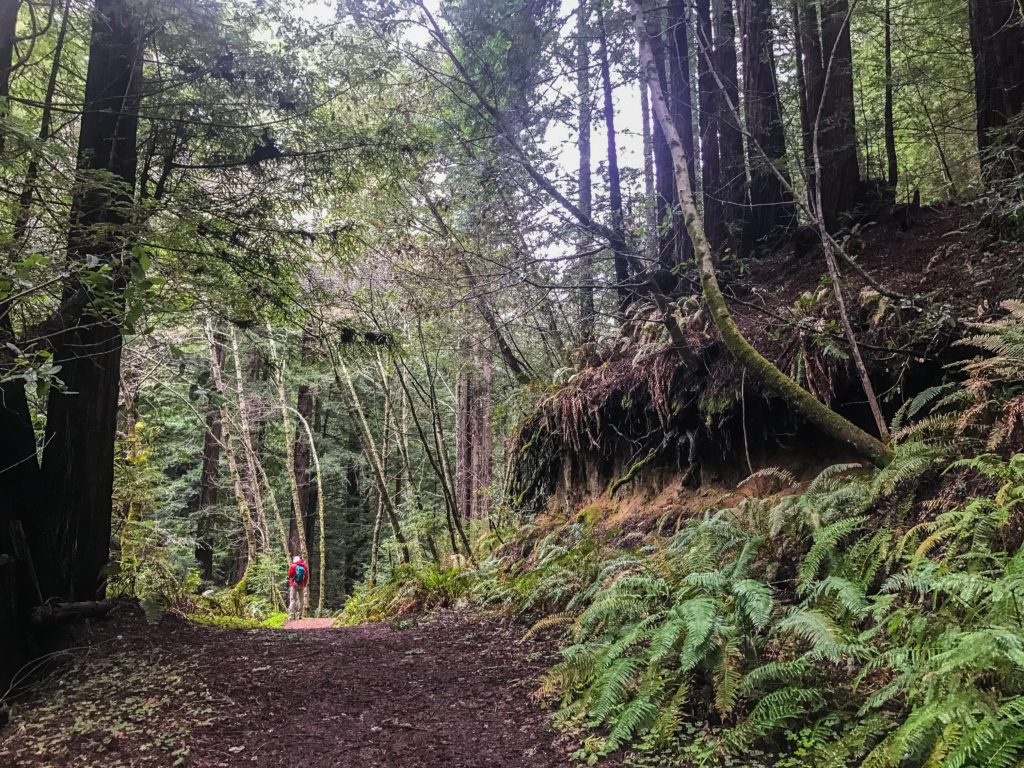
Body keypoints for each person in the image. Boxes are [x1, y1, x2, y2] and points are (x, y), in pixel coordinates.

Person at [288, 555, 309, 620]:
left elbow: (289, 575)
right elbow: (306, 576)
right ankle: (300, 614)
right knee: (301, 599)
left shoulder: (293, 566)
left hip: (294, 585)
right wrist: (304, 584)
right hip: (301, 585)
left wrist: (292, 581)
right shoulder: (305, 566)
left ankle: (292, 615)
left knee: (293, 599)